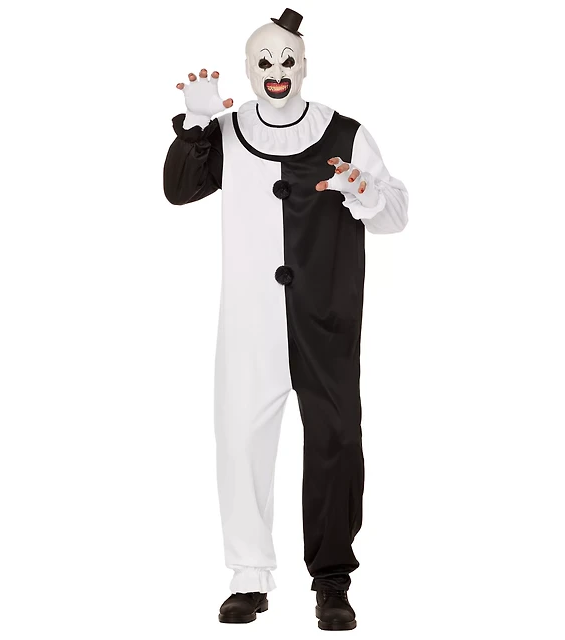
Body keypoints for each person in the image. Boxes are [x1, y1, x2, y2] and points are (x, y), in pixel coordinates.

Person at [163, 8, 408, 631]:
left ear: (305, 66)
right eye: (264, 61)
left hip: (326, 318)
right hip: (251, 321)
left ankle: (332, 580)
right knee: (241, 440)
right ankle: (249, 575)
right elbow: (179, 190)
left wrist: (363, 191)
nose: (276, 71)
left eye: (287, 60)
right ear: (249, 70)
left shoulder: (345, 133)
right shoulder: (226, 131)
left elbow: (396, 215)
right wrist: (194, 130)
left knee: (336, 441)